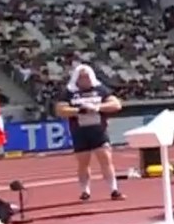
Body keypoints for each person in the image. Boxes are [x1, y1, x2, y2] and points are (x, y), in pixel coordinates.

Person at [54, 64, 125, 201]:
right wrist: (79, 110)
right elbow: (60, 110)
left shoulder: (100, 89)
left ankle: (114, 190)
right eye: (81, 77)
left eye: (86, 77)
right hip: (80, 131)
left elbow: (116, 104)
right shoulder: (69, 92)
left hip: (99, 130)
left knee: (106, 159)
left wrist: (97, 107)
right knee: (83, 162)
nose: (84, 80)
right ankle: (85, 191)